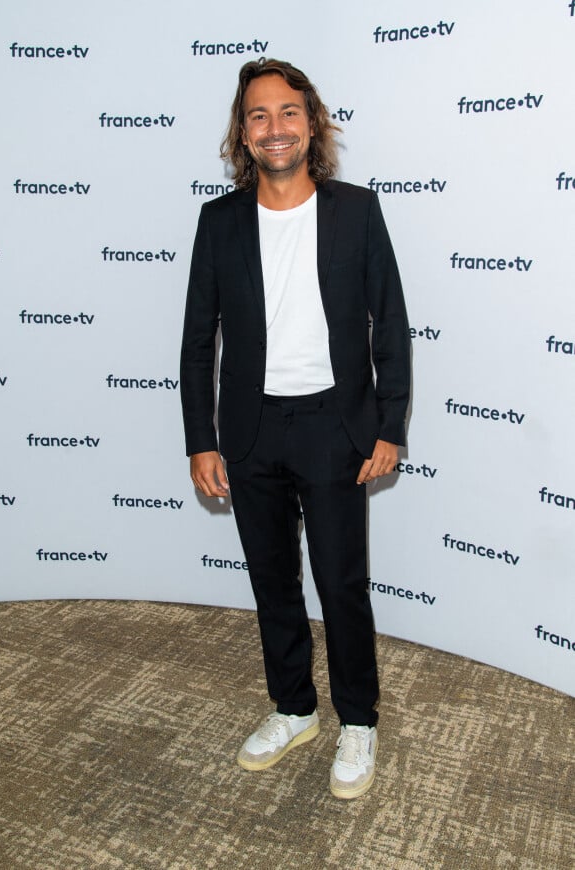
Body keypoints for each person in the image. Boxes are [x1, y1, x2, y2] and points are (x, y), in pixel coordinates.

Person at [180, 58, 410, 800]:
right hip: (249, 432)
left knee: (341, 584)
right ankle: (293, 707)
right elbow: (196, 340)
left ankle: (358, 721)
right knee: (272, 581)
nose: (273, 127)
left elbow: (392, 328)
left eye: (287, 112)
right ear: (242, 135)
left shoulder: (357, 211)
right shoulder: (218, 222)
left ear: (310, 125)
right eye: (257, 115)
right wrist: (201, 438)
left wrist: (389, 425)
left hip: (333, 426)